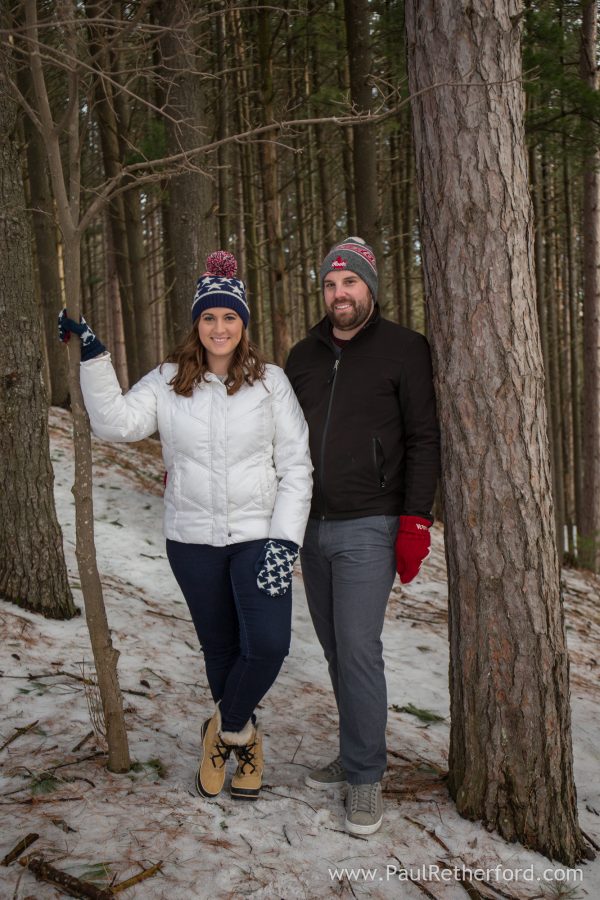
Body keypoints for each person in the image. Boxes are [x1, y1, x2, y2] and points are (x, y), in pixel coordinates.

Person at [59, 251, 312, 802]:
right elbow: (115, 424)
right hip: (192, 542)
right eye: (209, 317)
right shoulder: (169, 380)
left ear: (243, 323)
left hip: (258, 537)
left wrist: (284, 542)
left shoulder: (271, 383)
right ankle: (244, 740)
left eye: (229, 316)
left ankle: (225, 730)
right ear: (197, 323)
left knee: (268, 645)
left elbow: (297, 468)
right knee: (219, 649)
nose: (219, 327)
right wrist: (95, 356)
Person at [285, 236, 440, 835]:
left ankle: (367, 777)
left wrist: (416, 519)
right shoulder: (303, 356)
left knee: (356, 647)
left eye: (349, 282)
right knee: (334, 649)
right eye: (330, 284)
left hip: (370, 525)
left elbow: (424, 437)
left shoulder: (404, 349)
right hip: (310, 525)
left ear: (369, 287)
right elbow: (279, 438)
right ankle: (354, 753)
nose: (339, 293)